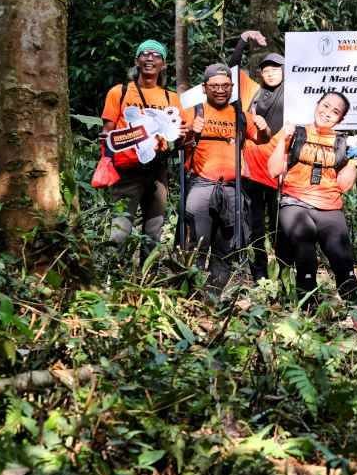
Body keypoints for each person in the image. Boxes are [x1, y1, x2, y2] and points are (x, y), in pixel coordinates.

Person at [267, 92, 357, 318]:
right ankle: (308, 312)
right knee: (304, 245)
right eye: (326, 106)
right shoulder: (297, 132)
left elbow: (343, 185)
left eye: (335, 112)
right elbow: (273, 171)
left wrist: (354, 160)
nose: (328, 113)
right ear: (317, 105)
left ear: (341, 119)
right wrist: (284, 142)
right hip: (295, 201)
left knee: (342, 257)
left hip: (329, 205)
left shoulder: (343, 142)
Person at [183, 64, 268, 293]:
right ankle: (191, 295)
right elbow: (175, 143)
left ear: (232, 87)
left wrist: (263, 127)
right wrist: (191, 129)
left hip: (232, 188)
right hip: (202, 185)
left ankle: (214, 296)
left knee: (226, 247)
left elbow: (261, 138)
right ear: (204, 87)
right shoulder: (194, 111)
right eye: (214, 86)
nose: (220, 90)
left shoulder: (240, 115)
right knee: (196, 243)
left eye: (225, 85)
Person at [100, 39, 188, 257]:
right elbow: (107, 133)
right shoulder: (119, 92)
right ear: (136, 61)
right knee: (120, 229)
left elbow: (180, 138)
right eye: (145, 54)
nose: (150, 58)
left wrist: (180, 137)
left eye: (156, 55)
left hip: (158, 172)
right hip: (126, 172)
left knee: (154, 230)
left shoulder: (172, 99)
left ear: (164, 64)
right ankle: (113, 275)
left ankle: (149, 279)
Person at [228, 29, 285, 280]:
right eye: (266, 69)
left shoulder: (293, 95)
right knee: (255, 227)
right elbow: (231, 69)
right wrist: (243, 40)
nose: (271, 72)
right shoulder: (251, 91)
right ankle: (260, 276)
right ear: (260, 73)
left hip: (279, 168)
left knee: (279, 226)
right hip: (251, 169)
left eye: (276, 68)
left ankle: (284, 275)